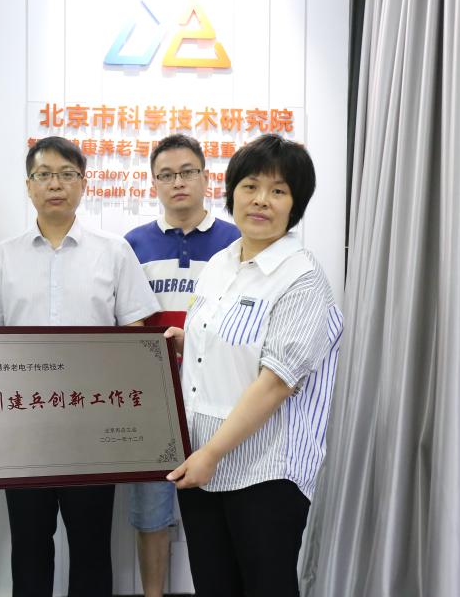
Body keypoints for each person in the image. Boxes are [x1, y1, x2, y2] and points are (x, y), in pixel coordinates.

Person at [0, 136, 160, 597]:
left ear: (83, 183)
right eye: (44, 175)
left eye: (66, 175)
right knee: (29, 544)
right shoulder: (5, 255)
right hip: (24, 428)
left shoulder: (113, 251)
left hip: (92, 427)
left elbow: (135, 333)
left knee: (92, 545)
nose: (55, 184)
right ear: (28, 186)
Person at [165, 134, 343, 596]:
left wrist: (211, 455)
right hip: (200, 460)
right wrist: (187, 341)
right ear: (231, 193)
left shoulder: (302, 278)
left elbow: (276, 383)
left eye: (278, 190)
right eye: (250, 186)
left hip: (266, 471)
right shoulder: (221, 263)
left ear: (295, 205)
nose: (261, 200)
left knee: (266, 586)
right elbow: (229, 342)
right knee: (213, 585)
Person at [124, 133, 239, 597]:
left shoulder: (235, 241)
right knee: (152, 513)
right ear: (154, 183)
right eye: (166, 175)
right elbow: (125, 318)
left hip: (217, 399)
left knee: (216, 511)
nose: (178, 182)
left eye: (187, 172)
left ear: (206, 177)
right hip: (153, 401)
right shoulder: (133, 244)